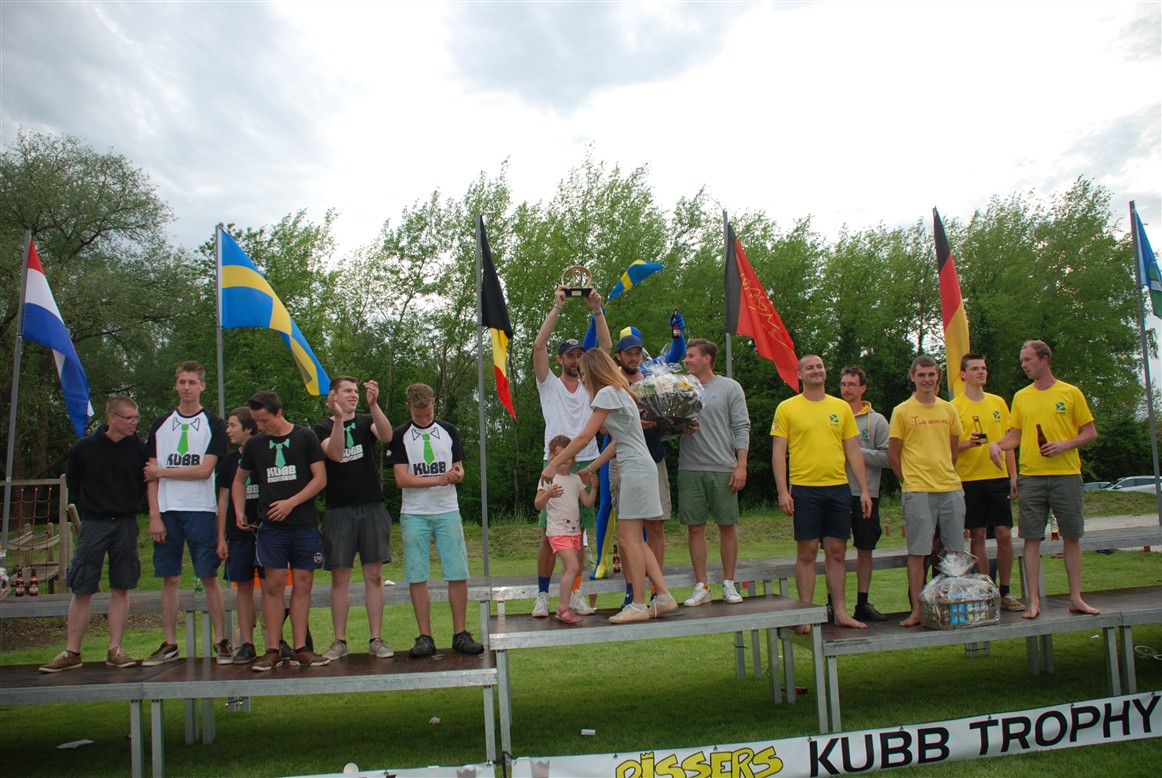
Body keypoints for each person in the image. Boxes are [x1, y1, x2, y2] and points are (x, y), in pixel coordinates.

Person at [542, 349, 679, 623]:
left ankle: (638, 604)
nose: (582, 379)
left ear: (593, 371)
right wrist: (591, 467)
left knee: (628, 540)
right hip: (641, 468)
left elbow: (584, 437)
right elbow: (617, 442)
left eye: (583, 374)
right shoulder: (621, 393)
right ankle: (663, 596)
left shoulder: (606, 393)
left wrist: (553, 464)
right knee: (635, 540)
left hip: (636, 471)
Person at [989, 340, 1099, 620]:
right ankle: (1034, 601)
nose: (1024, 365)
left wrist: (1064, 444)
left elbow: (1090, 433)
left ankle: (1076, 598)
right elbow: (1014, 436)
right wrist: (997, 445)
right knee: (1031, 538)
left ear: (1044, 359)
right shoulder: (1021, 397)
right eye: (1022, 361)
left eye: (1028, 360)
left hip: (1066, 475)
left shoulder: (1070, 393)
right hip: (1032, 477)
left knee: (1071, 536)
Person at [40, 397, 146, 673]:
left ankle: (115, 649)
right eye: (129, 418)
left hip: (125, 523)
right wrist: (93, 505)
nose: (134, 423)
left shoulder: (140, 449)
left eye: (136, 417)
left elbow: (144, 485)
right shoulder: (84, 448)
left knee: (122, 585)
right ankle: (72, 651)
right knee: (82, 585)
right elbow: (74, 481)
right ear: (112, 418)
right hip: (94, 523)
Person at [772, 356, 872, 632]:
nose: (816, 371)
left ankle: (840, 611)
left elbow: (853, 450)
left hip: (838, 488)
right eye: (810, 368)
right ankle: (805, 614)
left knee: (837, 551)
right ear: (800, 374)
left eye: (820, 367)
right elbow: (779, 452)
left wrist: (864, 490)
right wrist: (783, 491)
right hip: (805, 489)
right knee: (807, 551)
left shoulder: (840, 407)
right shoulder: (787, 407)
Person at [386, 383, 484, 658]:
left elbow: (459, 468)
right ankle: (424, 636)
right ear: (408, 407)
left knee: (458, 572)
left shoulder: (448, 430)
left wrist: (455, 475)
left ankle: (460, 633)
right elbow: (401, 478)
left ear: (434, 403)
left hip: (447, 509)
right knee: (417, 574)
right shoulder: (400, 435)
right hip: (414, 513)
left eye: (428, 414)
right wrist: (437, 480)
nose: (423, 419)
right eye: (418, 415)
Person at [530, 285, 610, 619]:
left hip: (587, 459)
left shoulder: (592, 383)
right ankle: (542, 595)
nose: (576, 360)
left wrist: (597, 310)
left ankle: (574, 593)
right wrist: (557, 306)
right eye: (570, 355)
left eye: (579, 355)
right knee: (550, 534)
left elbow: (605, 349)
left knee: (579, 533)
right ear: (561, 359)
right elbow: (538, 345)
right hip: (555, 462)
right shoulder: (548, 383)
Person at [234, 390, 328, 671]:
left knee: (303, 584)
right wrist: (239, 510)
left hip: (303, 524)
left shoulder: (305, 437)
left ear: (279, 412)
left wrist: (291, 502)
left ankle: (301, 648)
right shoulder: (255, 445)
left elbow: (320, 479)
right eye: (255, 421)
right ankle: (272, 649)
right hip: (271, 528)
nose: (259, 426)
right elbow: (238, 481)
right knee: (273, 587)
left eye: (264, 420)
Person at [142, 361, 229, 666]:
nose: (187, 387)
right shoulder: (160, 424)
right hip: (167, 509)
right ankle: (169, 643)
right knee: (170, 577)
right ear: (175, 385)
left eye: (192, 382)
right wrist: (154, 515)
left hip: (201, 509)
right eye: (182, 382)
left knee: (208, 576)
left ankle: (221, 641)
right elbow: (150, 475)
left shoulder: (214, 423)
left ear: (202, 386)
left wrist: (163, 471)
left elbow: (205, 470)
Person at [314, 376, 395, 661]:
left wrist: (374, 405)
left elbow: (387, 436)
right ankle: (339, 641)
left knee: (374, 575)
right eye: (347, 391)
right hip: (339, 510)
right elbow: (336, 454)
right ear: (333, 396)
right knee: (340, 578)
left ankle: (376, 639)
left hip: (371, 506)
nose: (353, 395)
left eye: (355, 391)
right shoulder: (321, 428)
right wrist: (338, 419)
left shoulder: (365, 421)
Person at [888, 356, 965, 628]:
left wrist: (945, 472)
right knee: (918, 552)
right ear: (912, 377)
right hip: (918, 490)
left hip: (950, 487)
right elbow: (893, 455)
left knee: (954, 552)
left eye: (931, 375)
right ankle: (918, 610)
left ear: (938, 377)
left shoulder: (949, 409)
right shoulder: (902, 411)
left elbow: (953, 450)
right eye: (921, 375)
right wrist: (907, 481)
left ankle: (953, 606)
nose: (927, 380)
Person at [608, 318, 684, 584]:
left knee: (656, 524)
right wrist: (634, 423)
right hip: (623, 459)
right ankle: (632, 589)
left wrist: (677, 332)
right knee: (627, 530)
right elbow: (603, 427)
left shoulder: (653, 377)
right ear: (618, 356)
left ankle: (655, 588)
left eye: (637, 352)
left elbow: (676, 354)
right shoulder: (612, 383)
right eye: (628, 353)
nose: (633, 357)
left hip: (654, 456)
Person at [677, 338, 750, 607]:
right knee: (695, 528)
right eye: (686, 356)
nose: (686, 360)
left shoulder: (730, 387)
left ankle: (729, 583)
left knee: (727, 526)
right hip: (690, 467)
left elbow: (742, 426)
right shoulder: (681, 388)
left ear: (707, 358)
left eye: (691, 356)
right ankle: (702, 585)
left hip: (723, 468)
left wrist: (741, 465)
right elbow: (669, 424)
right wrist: (680, 427)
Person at [951, 353, 1025, 612]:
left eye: (983, 368)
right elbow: (949, 447)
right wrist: (967, 443)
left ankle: (1005, 590)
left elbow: (1008, 442)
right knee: (978, 535)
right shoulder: (955, 406)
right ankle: (986, 590)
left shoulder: (998, 402)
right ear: (963, 375)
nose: (981, 372)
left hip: (997, 477)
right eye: (974, 369)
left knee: (1004, 533)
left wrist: (1013, 475)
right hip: (969, 478)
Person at [838, 366, 891, 622]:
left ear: (862, 388)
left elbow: (888, 457)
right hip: (836, 491)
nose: (846, 389)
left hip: (866, 493)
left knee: (865, 548)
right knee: (834, 549)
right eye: (843, 384)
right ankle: (833, 604)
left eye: (851, 384)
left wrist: (854, 451)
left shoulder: (877, 420)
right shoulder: (833, 415)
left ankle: (862, 602)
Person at [215, 407, 262, 664]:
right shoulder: (228, 462)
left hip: (267, 532)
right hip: (238, 535)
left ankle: (276, 643)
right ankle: (246, 643)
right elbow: (223, 500)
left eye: (233, 425)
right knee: (242, 588)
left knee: (272, 587)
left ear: (249, 428)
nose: (228, 430)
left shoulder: (266, 453)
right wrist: (221, 537)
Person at [535, 435, 597, 623]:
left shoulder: (576, 479)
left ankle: (567, 602)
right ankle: (563, 608)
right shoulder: (548, 478)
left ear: (573, 457)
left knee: (568, 570)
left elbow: (587, 503)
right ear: (552, 458)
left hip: (574, 533)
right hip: (557, 532)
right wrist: (549, 494)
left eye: (567, 455)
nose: (563, 460)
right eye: (558, 455)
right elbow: (538, 504)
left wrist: (594, 488)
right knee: (574, 566)